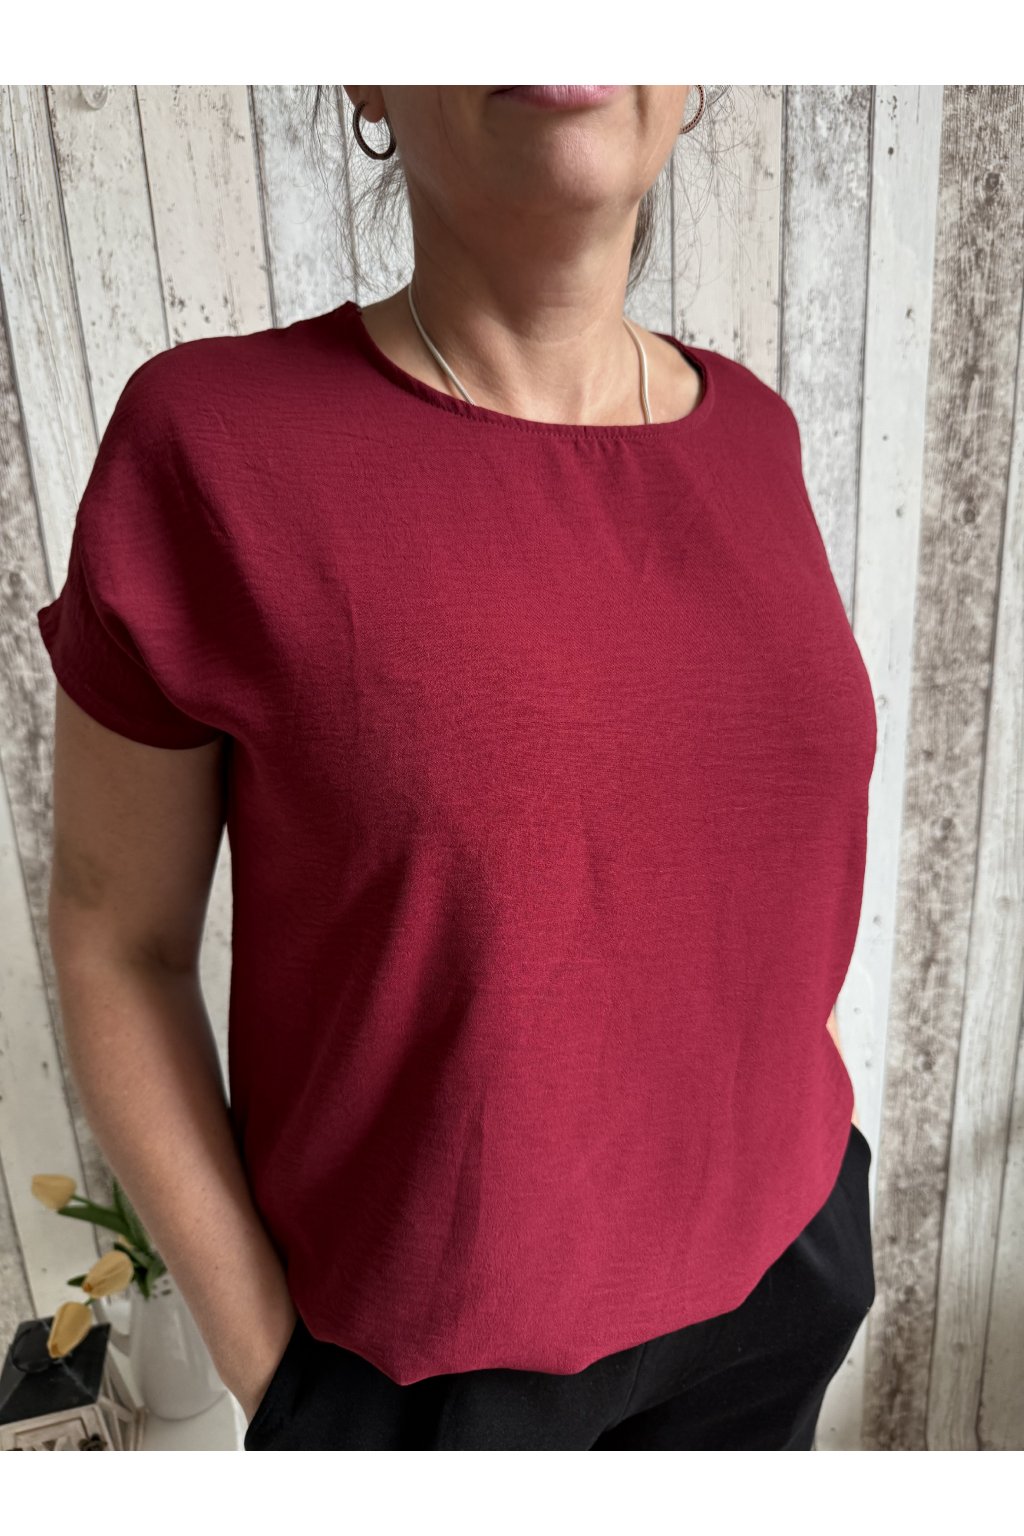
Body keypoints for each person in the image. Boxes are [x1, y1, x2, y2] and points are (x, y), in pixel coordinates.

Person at [36, 84, 877, 1451]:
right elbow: (114, 938)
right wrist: (287, 1386)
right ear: (366, 78)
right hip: (433, 1383)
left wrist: (826, 1159)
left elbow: (762, 864)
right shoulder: (213, 442)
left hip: (787, 1270)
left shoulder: (758, 436)